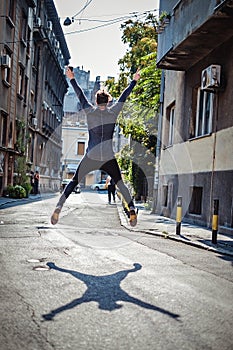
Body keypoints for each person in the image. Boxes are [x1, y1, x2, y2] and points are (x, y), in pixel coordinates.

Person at [51, 66, 140, 226]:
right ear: (108, 101)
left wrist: (71, 78)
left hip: (91, 155)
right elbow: (123, 97)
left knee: (74, 181)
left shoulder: (90, 111)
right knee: (119, 182)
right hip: (107, 156)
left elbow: (79, 95)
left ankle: (59, 206)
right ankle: (132, 209)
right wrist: (134, 81)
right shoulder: (113, 112)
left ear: (96, 101)